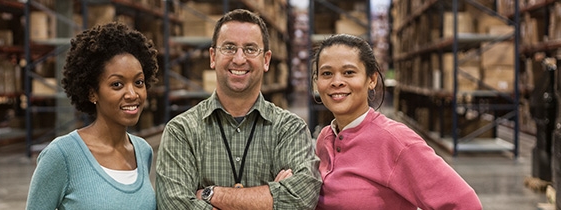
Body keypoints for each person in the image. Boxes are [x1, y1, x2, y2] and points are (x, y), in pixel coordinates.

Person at [155, 9, 321, 210]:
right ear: (213, 56)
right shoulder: (181, 131)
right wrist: (271, 198)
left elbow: (301, 200)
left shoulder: (290, 129)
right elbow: (173, 205)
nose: (239, 59)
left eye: (250, 49)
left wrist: (210, 194)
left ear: (266, 60)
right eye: (229, 48)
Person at [311, 34, 482, 209]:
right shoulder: (325, 138)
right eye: (327, 73)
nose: (337, 82)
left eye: (349, 72)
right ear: (317, 82)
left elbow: (464, 203)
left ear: (371, 80)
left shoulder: (396, 141)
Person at [25, 22, 159, 210]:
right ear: (92, 93)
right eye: (117, 85)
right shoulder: (61, 155)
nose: (132, 94)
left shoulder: (143, 151)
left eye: (138, 82)